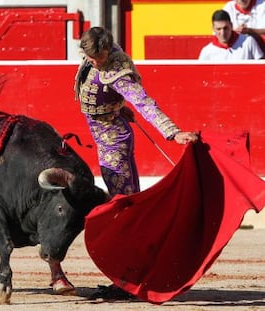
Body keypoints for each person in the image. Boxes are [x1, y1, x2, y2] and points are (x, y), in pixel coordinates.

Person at [74, 26, 198, 299]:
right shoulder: (96, 54)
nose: (96, 62)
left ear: (109, 48)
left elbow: (144, 103)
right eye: (91, 58)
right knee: (125, 209)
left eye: (100, 58)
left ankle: (129, 280)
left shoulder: (118, 71)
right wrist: (118, 106)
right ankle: (131, 276)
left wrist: (172, 132)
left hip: (114, 145)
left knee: (124, 212)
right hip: (109, 137)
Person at [198, 9, 264, 60]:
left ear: (231, 26)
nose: (223, 33)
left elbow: (261, 67)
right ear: (213, 29)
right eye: (219, 29)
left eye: (225, 28)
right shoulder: (207, 51)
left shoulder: (248, 42)